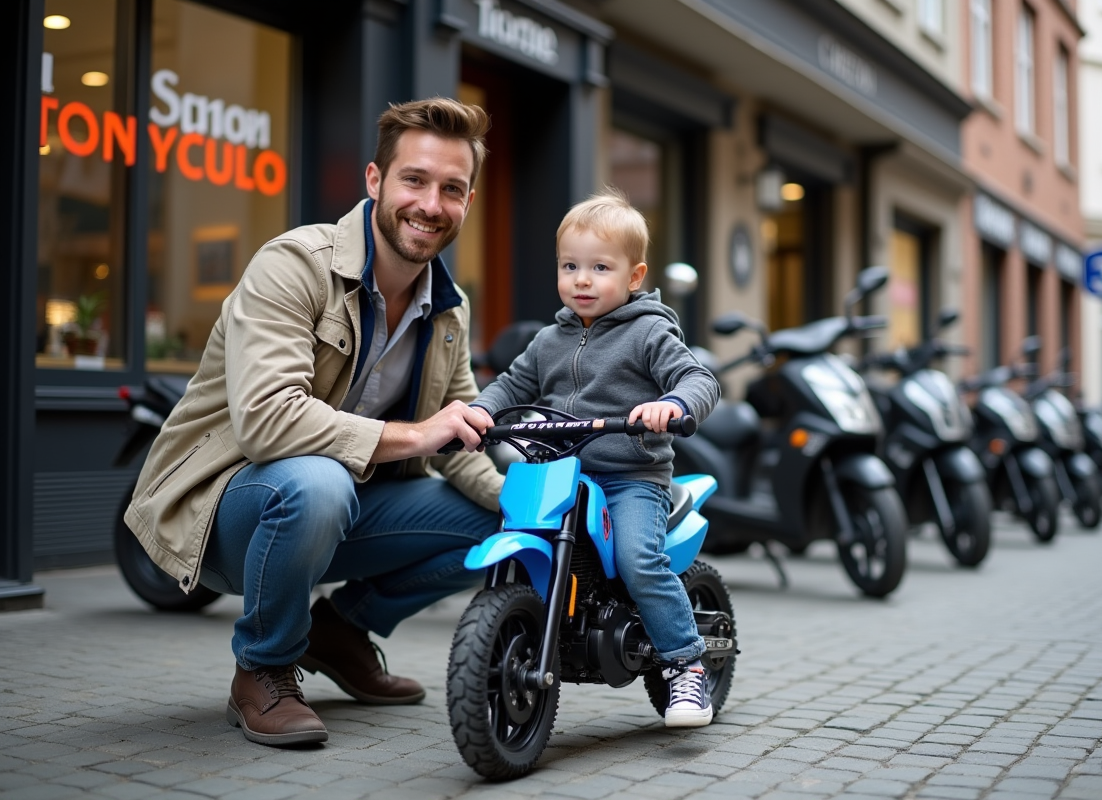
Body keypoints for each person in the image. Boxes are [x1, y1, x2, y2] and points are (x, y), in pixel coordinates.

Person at [124, 98, 505, 747]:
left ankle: (339, 633)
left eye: (452, 189)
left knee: (510, 523)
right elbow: (268, 423)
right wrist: (416, 435)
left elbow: (459, 438)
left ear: (468, 202)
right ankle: (264, 669)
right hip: (228, 511)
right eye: (414, 180)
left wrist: (538, 503)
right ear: (375, 181)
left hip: (341, 510)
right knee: (317, 482)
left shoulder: (450, 306)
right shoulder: (295, 264)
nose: (431, 204)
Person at [472, 188, 721, 728]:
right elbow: (510, 385)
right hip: (559, 471)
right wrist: (478, 412)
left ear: (634, 277)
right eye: (570, 266)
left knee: (637, 559)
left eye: (599, 267)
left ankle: (686, 665)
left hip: (631, 476)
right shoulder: (548, 339)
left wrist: (672, 403)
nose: (581, 279)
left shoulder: (650, 330)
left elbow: (698, 378)